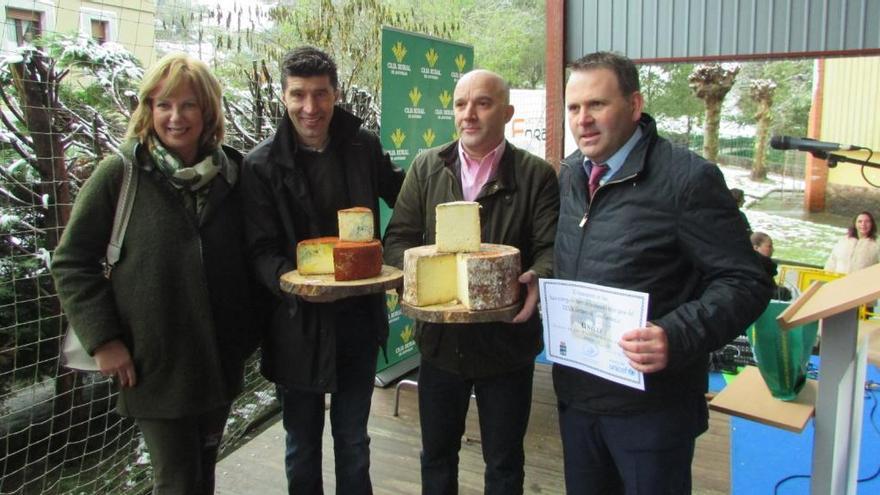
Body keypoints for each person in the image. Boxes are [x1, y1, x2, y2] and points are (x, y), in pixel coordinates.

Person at [554, 51, 772, 494]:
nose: (583, 120)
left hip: (651, 413)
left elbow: (747, 280)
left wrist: (676, 335)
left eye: (597, 104)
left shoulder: (688, 180)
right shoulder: (571, 174)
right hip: (578, 401)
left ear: (634, 106)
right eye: (574, 108)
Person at [52, 53, 259, 494]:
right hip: (154, 363)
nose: (175, 116)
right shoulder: (122, 173)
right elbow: (71, 261)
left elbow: (247, 255)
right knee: (177, 481)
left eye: (188, 105)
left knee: (203, 470)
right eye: (163, 105)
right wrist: (104, 340)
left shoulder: (231, 174)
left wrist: (249, 332)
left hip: (219, 358)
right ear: (148, 110)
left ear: (208, 111)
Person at [383, 69, 559, 495]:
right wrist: (411, 279)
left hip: (507, 345)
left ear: (508, 112)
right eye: (461, 104)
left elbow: (551, 247)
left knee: (503, 462)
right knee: (437, 457)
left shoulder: (536, 174)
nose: (469, 114)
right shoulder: (427, 167)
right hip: (441, 343)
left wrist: (540, 275)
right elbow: (399, 238)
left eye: (483, 103)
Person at [240, 46, 404, 495]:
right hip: (295, 326)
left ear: (336, 93)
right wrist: (291, 282)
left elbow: (402, 194)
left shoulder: (362, 146)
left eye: (320, 94)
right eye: (298, 95)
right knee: (301, 445)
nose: (309, 108)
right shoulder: (260, 165)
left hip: (356, 319)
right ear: (283, 95)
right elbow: (259, 250)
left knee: (353, 440)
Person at [750, 232, 792, 301]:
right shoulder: (756, 267)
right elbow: (759, 292)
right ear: (756, 248)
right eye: (769, 246)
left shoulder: (764, 266)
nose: (773, 250)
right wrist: (783, 293)